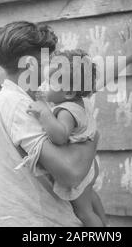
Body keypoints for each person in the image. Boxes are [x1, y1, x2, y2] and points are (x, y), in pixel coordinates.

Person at [0, 20, 132, 226]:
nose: (52, 70)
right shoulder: (17, 105)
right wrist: (93, 138)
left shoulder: (33, 97)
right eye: (47, 64)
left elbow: (76, 87)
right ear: (29, 65)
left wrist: (127, 57)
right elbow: (71, 175)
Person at [26, 49, 106, 226]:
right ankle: (105, 223)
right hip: (88, 166)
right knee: (90, 197)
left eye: (50, 82)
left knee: (84, 212)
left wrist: (44, 113)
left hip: (80, 170)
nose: (44, 85)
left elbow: (60, 136)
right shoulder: (77, 103)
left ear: (69, 92)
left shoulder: (66, 111)